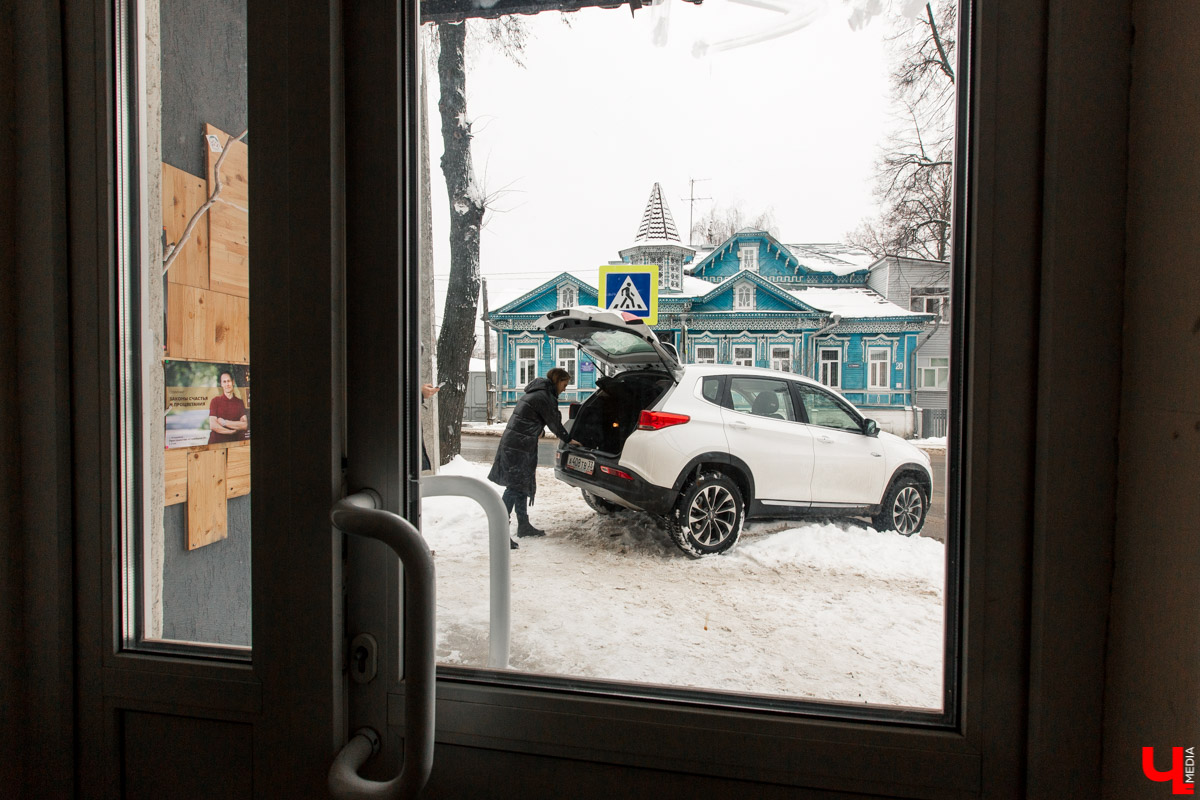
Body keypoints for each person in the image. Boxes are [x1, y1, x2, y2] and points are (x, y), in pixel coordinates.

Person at [488, 367, 575, 540]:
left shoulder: (537, 392)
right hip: (518, 446)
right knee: (513, 487)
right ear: (558, 381)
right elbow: (554, 423)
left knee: (521, 485)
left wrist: (537, 431)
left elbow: (528, 419)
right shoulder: (544, 396)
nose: (565, 388)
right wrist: (568, 439)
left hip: (518, 443)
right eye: (565, 384)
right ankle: (500, 532)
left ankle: (523, 525)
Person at [207, 370, 249, 444]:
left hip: (233, 443)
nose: (227, 384)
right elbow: (213, 425)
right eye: (224, 382)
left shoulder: (240, 402)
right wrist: (230, 431)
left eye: (228, 381)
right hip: (216, 443)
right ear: (221, 384)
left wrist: (224, 422)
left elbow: (244, 425)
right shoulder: (215, 401)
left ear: (233, 382)